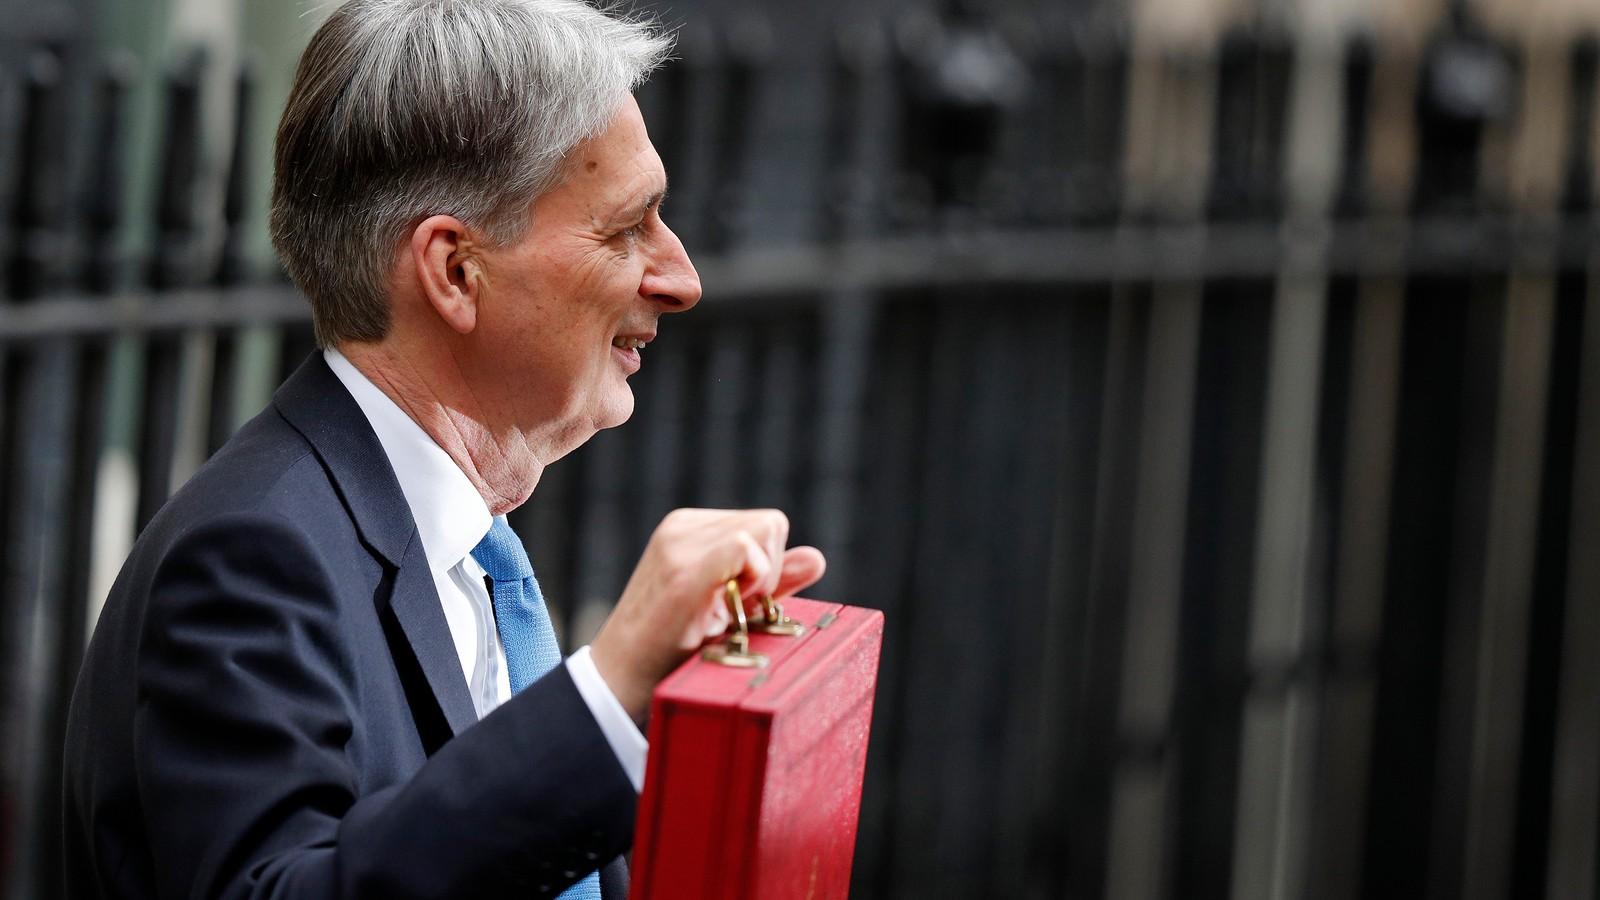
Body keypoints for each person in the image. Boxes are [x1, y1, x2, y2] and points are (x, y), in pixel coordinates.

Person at [60, 1, 826, 897]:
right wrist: (607, 693)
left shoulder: (458, 542)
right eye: (627, 228)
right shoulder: (253, 557)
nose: (681, 278)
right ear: (456, 271)